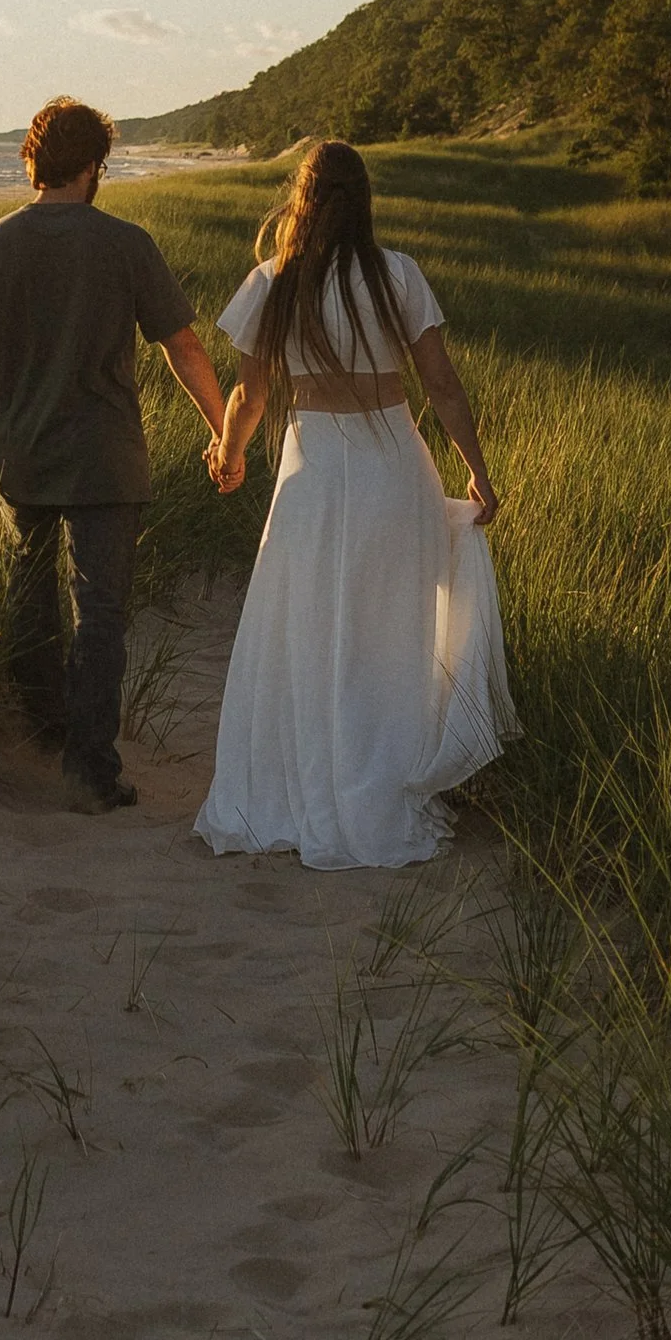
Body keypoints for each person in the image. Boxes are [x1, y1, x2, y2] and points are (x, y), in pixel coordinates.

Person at [195, 139, 509, 870]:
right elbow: (444, 387)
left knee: (306, 626)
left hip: (314, 470)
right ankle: (381, 774)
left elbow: (251, 395)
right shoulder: (396, 275)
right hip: (392, 468)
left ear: (300, 199)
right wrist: (480, 475)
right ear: (363, 199)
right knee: (387, 630)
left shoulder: (273, 281)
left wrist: (230, 451)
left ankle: (307, 781)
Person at [0, 97, 227, 814]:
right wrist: (224, 429)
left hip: (21, 458)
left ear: (33, 161)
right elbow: (183, 349)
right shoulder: (126, 243)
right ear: (96, 167)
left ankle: (47, 736)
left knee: (28, 603)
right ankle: (89, 768)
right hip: (106, 459)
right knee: (100, 614)